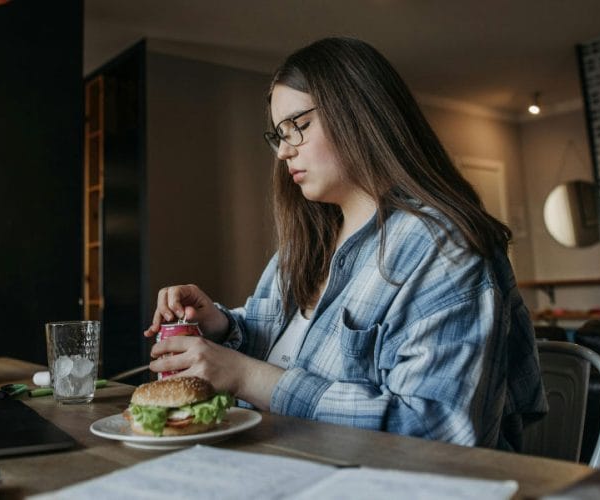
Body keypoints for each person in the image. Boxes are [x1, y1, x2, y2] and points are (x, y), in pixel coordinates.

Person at [144, 37, 546, 451]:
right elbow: (284, 347)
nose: (283, 152)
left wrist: (246, 376)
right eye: (278, 135)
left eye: (297, 126)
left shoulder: (442, 249)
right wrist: (225, 327)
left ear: (358, 111)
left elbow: (437, 429)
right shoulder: (303, 245)